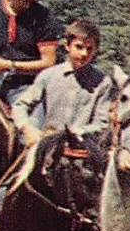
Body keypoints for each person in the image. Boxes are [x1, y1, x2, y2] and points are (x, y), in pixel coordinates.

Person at [10, 18, 112, 147]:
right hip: (49, 147)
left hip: (82, 149)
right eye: (79, 47)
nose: (84, 53)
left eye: (90, 49)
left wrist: (73, 133)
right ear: (67, 46)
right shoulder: (49, 76)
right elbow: (20, 105)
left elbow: (102, 124)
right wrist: (26, 128)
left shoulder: (103, 82)